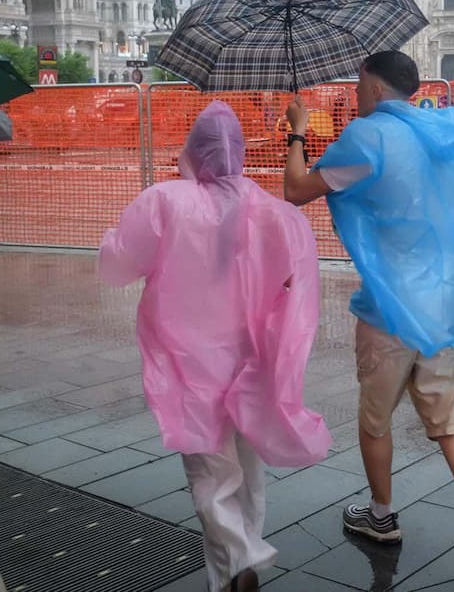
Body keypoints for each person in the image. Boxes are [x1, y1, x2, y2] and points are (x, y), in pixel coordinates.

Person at [282, 50, 454, 589]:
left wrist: (298, 131)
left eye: (358, 85)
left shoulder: (367, 138)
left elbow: (296, 190)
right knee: (448, 421)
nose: (354, 94)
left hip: (390, 310)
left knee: (376, 420)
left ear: (373, 86)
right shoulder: (450, 132)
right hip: (446, 307)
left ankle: (381, 516)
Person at [101, 102, 329, 592]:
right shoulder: (273, 212)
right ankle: (231, 571)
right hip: (251, 358)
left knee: (209, 470)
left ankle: (243, 555)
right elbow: (295, 287)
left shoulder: (166, 201)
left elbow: (118, 265)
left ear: (193, 149)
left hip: (189, 362)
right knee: (247, 468)